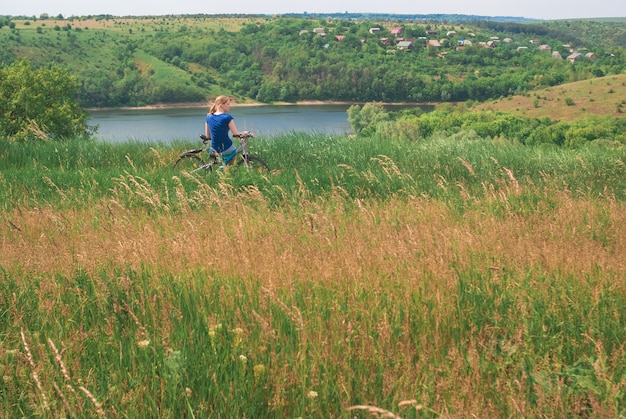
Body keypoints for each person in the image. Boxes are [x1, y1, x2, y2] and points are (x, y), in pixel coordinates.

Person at [205, 95, 248, 170]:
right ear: (221, 105)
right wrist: (246, 133)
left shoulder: (208, 117)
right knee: (233, 154)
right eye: (228, 104)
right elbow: (235, 134)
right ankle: (228, 174)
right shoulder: (227, 118)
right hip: (226, 148)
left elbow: (208, 136)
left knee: (225, 161)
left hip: (214, 148)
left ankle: (224, 171)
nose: (229, 106)